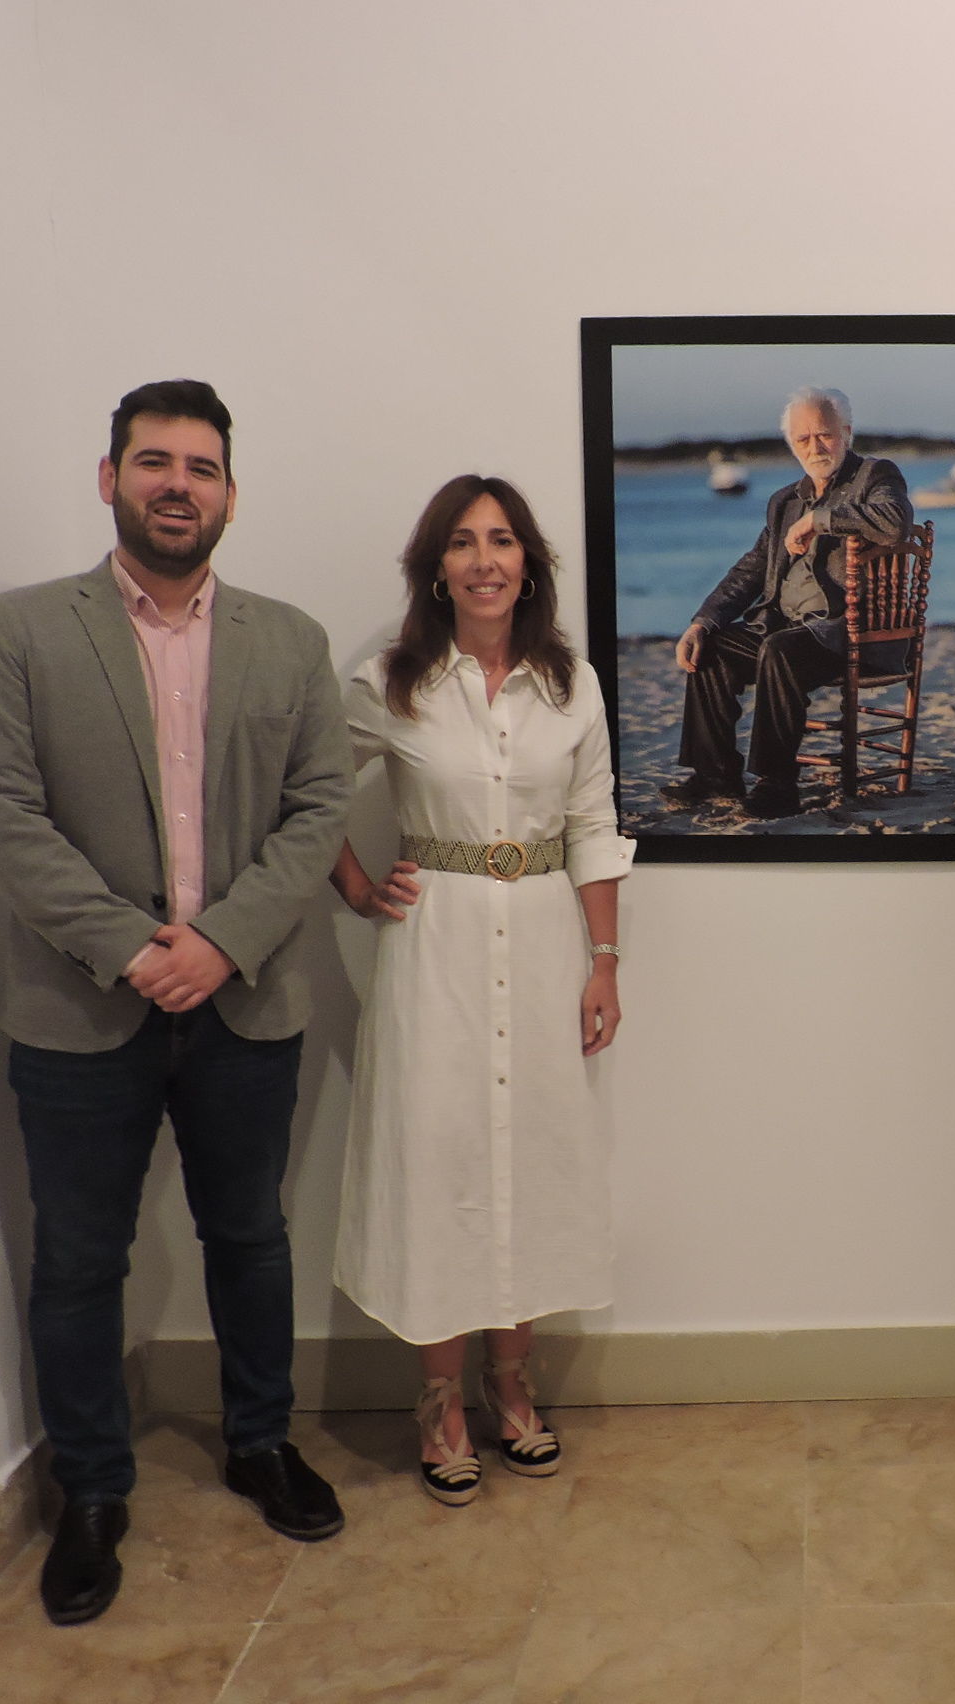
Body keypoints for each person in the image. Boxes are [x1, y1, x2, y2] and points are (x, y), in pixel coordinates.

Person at [0, 380, 354, 1625]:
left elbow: (318, 809)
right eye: (155, 461)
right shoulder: (22, 630)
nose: (179, 484)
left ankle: (260, 1441)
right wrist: (132, 949)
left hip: (246, 1003)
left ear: (232, 493)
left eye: (202, 467)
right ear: (109, 476)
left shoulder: (291, 640)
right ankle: (93, 1490)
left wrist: (219, 943)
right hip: (78, 1015)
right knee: (78, 1260)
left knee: (252, 1238)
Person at [330, 475, 633, 1506]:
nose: (484, 560)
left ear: (528, 563)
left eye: (501, 540)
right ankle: (439, 1402)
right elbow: (307, 790)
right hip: (436, 946)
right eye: (462, 542)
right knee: (441, 1157)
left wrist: (604, 960)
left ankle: (512, 1383)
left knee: (529, 1152)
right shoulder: (392, 681)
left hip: (545, 940)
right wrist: (357, 886)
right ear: (436, 568)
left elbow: (593, 821)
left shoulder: (570, 685)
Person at [664, 386, 911, 818]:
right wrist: (702, 622)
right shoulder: (784, 502)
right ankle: (715, 775)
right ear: (791, 444)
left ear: (847, 432)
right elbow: (750, 570)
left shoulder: (875, 475)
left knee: (780, 650)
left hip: (850, 634)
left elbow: (895, 523)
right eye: (803, 438)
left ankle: (777, 785)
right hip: (786, 630)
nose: (815, 447)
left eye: (825, 435)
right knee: (713, 647)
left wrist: (821, 519)